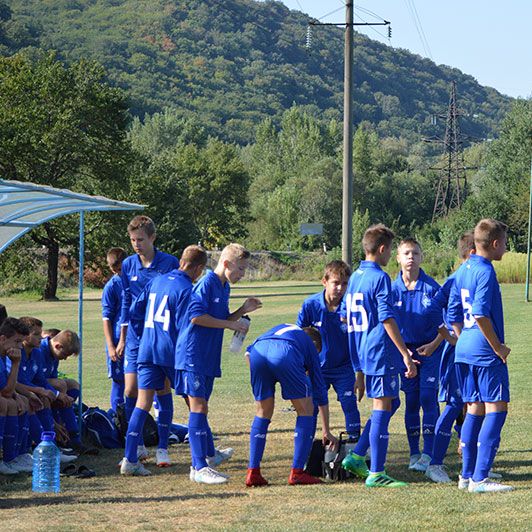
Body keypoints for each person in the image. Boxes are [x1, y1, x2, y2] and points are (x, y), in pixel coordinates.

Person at [175, 243, 262, 484]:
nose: (243, 274)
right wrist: (231, 325)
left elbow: (221, 318)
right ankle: (198, 466)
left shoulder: (224, 287)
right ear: (226, 264)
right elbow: (196, 317)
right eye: (241, 269)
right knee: (198, 408)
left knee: (202, 408)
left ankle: (206, 458)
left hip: (207, 356)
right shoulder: (206, 283)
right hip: (192, 355)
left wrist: (242, 311)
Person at [341, 224, 417, 488]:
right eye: (390, 251)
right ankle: (377, 472)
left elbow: (345, 317)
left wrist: (358, 367)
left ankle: (357, 455)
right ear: (383, 249)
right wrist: (405, 353)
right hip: (379, 353)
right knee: (383, 407)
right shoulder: (380, 278)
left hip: (362, 350)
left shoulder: (355, 277)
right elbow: (386, 318)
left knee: (391, 403)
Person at [121, 245, 208, 476]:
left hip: (146, 348)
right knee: (192, 400)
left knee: (142, 403)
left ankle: (129, 459)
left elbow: (134, 310)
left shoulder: (156, 281)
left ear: (181, 261)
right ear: (199, 269)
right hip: (170, 352)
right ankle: (200, 456)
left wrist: (145, 336)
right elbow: (186, 326)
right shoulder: (186, 289)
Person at [449, 219, 512, 493]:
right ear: (495, 243)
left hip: (463, 348)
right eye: (506, 244)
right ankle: (480, 478)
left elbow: (452, 309)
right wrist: (497, 346)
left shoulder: (464, 267)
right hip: (484, 351)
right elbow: (480, 313)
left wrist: (464, 337)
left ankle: (467, 475)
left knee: (474, 409)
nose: (507, 250)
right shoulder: (485, 271)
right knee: (497, 409)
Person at [116, 215, 179, 460]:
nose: (136, 244)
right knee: (131, 390)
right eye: (132, 240)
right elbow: (125, 301)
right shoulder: (129, 265)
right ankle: (138, 445)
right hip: (135, 337)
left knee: (162, 388)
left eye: (140, 239)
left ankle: (163, 448)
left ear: (152, 237)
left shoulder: (169, 263)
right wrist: (122, 337)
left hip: (160, 336)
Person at [245, 324, 337, 487]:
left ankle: (253, 472)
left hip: (257, 352)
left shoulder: (286, 330)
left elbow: (248, 353)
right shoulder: (309, 345)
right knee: (306, 409)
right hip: (284, 352)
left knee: (263, 411)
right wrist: (326, 430)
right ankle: (297, 473)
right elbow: (320, 389)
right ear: (316, 345)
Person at [419, 232, 474, 483]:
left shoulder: (473, 276)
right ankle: (435, 463)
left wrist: (437, 341)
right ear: (473, 252)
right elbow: (433, 311)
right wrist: (448, 336)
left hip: (473, 350)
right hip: (457, 353)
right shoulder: (455, 279)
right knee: (454, 404)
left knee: (474, 405)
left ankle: (471, 467)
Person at [297, 260, 364, 441]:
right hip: (317, 368)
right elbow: (299, 336)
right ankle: (307, 448)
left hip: (344, 367)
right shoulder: (310, 305)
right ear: (324, 281)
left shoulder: (351, 306)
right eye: (336, 283)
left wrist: (359, 372)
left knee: (349, 404)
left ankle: (354, 448)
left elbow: (359, 338)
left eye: (344, 284)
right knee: (311, 407)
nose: (340, 288)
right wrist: (303, 366)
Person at [391, 238, 443, 473]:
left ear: (421, 257)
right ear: (398, 258)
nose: (411, 257)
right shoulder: (392, 290)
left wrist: (433, 345)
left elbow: (449, 325)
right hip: (406, 353)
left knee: (428, 399)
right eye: (406, 253)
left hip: (430, 350)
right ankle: (414, 453)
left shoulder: (432, 288)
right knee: (411, 402)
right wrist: (404, 353)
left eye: (415, 253)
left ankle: (429, 454)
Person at [0, 317, 31, 475]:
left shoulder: (3, 356)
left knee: (22, 400)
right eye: (17, 342)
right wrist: (16, 364)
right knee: (4, 403)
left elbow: (7, 388)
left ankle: (15, 457)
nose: (20, 347)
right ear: (3, 339)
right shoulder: (8, 359)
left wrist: (16, 395)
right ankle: (5, 459)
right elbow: (5, 391)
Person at [102, 247, 127, 412]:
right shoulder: (111, 287)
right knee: (118, 381)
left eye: (120, 269)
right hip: (117, 340)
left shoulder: (136, 280)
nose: (117, 272)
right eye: (114, 270)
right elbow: (106, 318)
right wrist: (111, 345)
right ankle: (118, 419)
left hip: (135, 339)